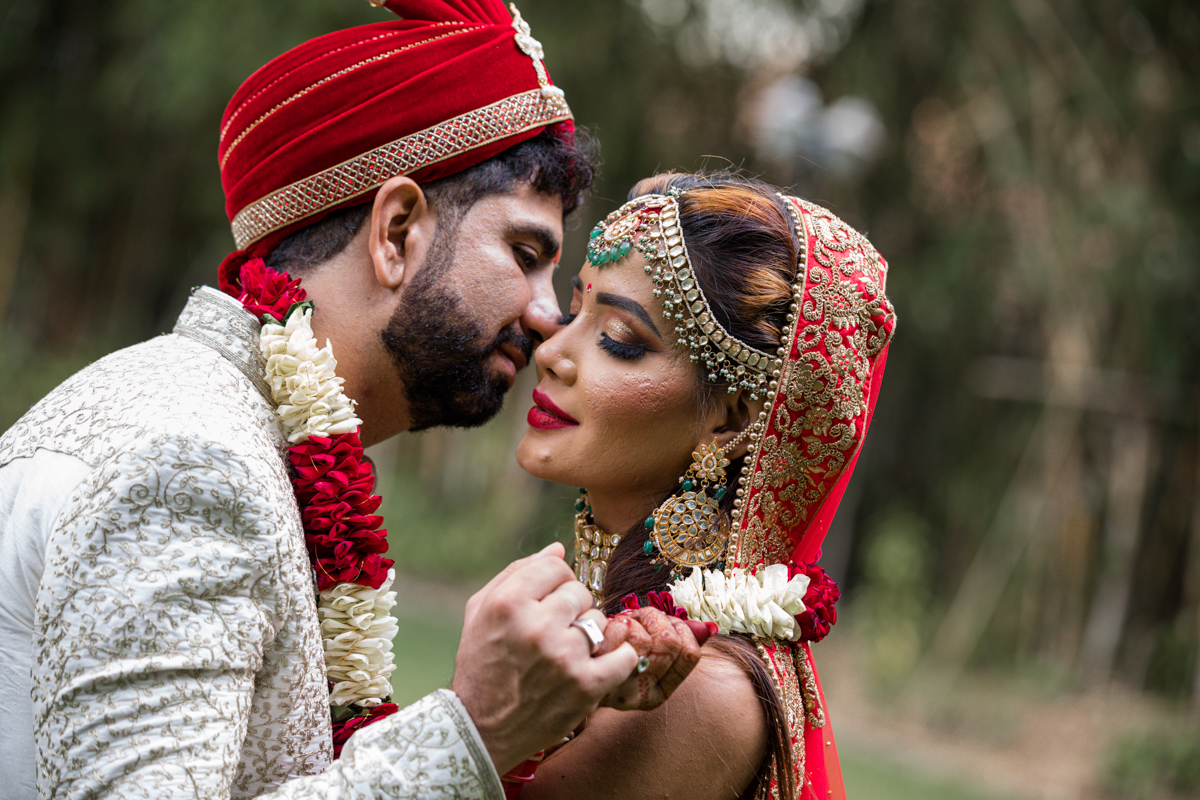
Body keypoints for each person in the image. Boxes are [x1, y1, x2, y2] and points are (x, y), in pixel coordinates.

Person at [0, 3, 708, 799]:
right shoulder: (192, 462)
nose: (549, 318)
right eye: (524, 253)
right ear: (397, 231)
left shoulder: (218, 429)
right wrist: (477, 728)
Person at [515, 172, 897, 800]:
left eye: (618, 339)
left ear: (729, 420)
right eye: (576, 309)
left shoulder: (700, 688)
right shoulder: (645, 634)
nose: (552, 351)